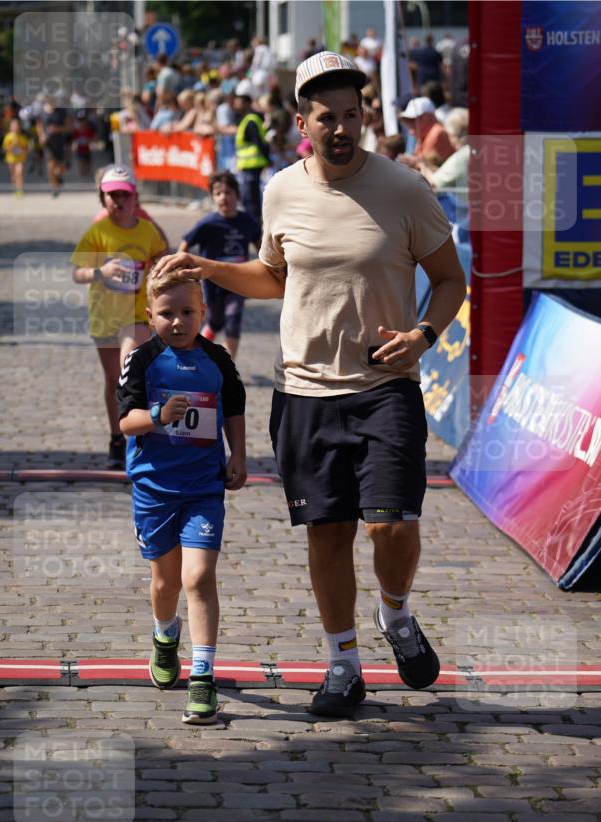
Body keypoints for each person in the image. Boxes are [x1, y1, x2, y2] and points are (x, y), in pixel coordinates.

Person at [152, 51, 466, 719]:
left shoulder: (405, 189)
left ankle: (396, 614)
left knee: (390, 527)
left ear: (365, 116)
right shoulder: (280, 191)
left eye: (352, 115)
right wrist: (208, 267)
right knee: (327, 534)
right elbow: (274, 277)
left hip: (385, 385)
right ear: (303, 123)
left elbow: (449, 279)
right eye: (328, 118)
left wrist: (423, 335)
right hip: (303, 391)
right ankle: (343, 665)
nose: (342, 128)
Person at [116, 266, 247, 724]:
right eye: (167, 313)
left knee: (199, 577)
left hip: (203, 487)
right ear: (150, 314)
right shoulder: (142, 359)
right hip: (155, 489)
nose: (178, 321)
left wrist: (238, 454)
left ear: (203, 312)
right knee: (165, 584)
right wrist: (157, 415)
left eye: (187, 312)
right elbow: (125, 422)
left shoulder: (217, 359)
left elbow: (234, 407)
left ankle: (203, 678)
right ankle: (165, 634)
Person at [72, 164, 167, 468]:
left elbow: (160, 254)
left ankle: (138, 437)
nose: (119, 201)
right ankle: (116, 438)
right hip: (104, 315)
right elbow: (77, 273)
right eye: (112, 195)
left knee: (130, 366)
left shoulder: (147, 230)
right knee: (114, 379)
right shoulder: (97, 232)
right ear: (103, 198)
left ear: (135, 197)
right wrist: (101, 271)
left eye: (124, 195)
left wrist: (158, 267)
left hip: (136, 314)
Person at [178, 170, 261, 359]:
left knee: (233, 321)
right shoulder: (208, 223)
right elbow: (185, 243)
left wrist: (268, 266)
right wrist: (179, 265)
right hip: (213, 283)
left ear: (237, 195)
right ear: (213, 198)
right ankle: (196, 355)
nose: (223, 197)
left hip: (238, 282)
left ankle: (227, 367)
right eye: (218, 193)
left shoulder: (247, 222)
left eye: (228, 192)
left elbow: (261, 246)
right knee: (214, 322)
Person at [233, 80, 270, 225]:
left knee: (251, 201)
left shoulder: (250, 120)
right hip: (249, 166)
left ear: (247, 103)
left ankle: (254, 228)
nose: (236, 104)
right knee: (249, 200)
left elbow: (258, 142)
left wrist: (267, 159)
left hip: (253, 165)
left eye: (239, 101)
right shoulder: (247, 120)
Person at [398, 96, 454, 172]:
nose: (410, 124)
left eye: (413, 119)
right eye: (408, 120)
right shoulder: (422, 134)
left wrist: (412, 161)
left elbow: (427, 166)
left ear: (428, 117)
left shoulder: (437, 133)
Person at [2, 118, 29, 196]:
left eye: (17, 126)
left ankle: (20, 189)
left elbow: (26, 149)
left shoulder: (23, 137)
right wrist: (13, 144)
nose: (15, 128)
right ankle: (15, 188)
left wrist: (22, 150)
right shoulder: (8, 137)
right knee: (13, 174)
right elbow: (4, 149)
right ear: (11, 127)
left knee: (19, 173)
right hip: (11, 158)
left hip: (21, 159)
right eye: (14, 126)